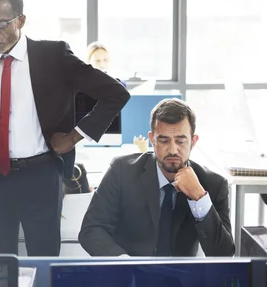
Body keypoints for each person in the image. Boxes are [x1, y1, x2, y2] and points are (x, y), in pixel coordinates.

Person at [0, 0, 130, 256]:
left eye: (1, 24)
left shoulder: (52, 56)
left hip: (40, 178)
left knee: (43, 264)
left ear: (20, 21)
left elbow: (115, 93)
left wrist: (75, 135)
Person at [79, 98, 234, 257]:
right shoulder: (122, 171)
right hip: (129, 276)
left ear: (193, 141)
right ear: (152, 139)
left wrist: (199, 197)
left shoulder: (213, 184)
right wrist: (124, 264)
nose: (173, 150)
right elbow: (91, 230)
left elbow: (223, 253)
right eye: (164, 140)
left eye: (181, 141)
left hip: (181, 279)